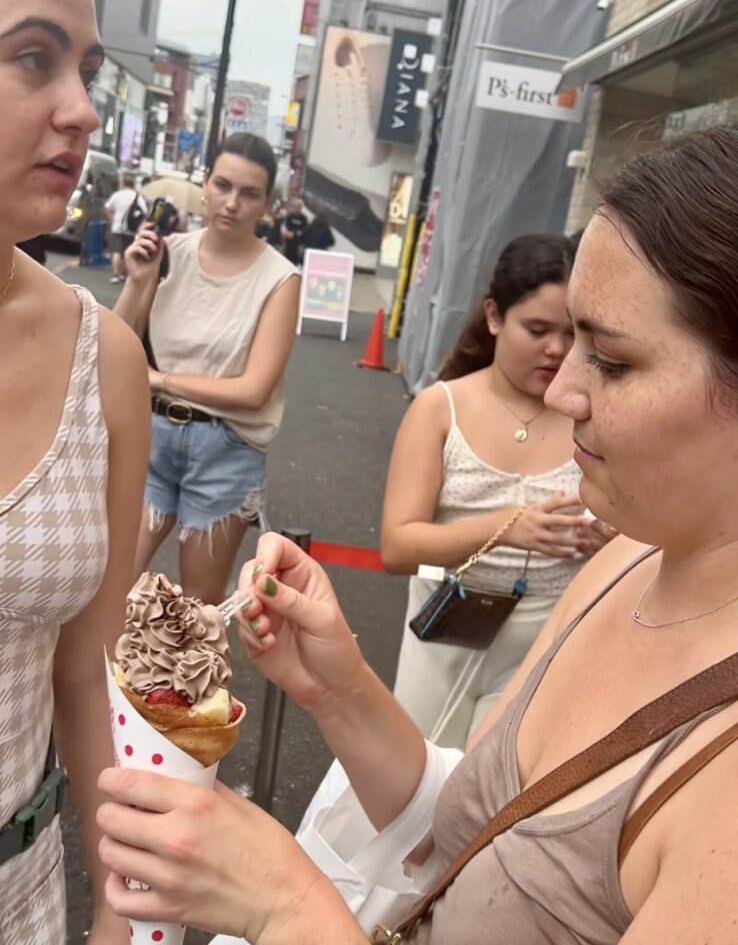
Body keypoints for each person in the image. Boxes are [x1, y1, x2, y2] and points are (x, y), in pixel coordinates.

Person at [99, 127, 738, 944]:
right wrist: (340, 689)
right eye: (564, 337)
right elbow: (484, 827)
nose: (566, 386)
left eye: (611, 361)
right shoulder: (627, 557)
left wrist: (287, 906)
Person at [0, 0, 149, 942]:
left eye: (89, 71)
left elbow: (85, 673)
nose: (84, 110)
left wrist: (123, 915)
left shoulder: (108, 362)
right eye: (31, 57)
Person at [382, 235, 610, 747]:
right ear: (494, 317)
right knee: (415, 783)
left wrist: (610, 538)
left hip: (552, 631)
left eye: (573, 334)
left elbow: (636, 532)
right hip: (446, 621)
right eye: (537, 329)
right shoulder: (440, 408)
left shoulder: (594, 416)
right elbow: (397, 548)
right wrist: (509, 527)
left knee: (495, 793)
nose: (557, 349)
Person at [115, 133, 300, 605]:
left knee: (198, 608)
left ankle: (183, 681)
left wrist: (158, 381)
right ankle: (102, 682)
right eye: (223, 185)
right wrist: (138, 280)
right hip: (149, 436)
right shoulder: (167, 251)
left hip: (226, 449)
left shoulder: (279, 279)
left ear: (267, 203)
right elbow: (116, 345)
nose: (232, 203)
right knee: (107, 583)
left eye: (249, 193)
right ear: (205, 184)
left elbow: (254, 391)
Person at [105, 172, 144, 283]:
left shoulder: (117, 195)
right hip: (131, 229)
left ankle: (116, 274)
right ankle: (123, 274)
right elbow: (144, 211)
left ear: (123, 182)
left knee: (117, 252)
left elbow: (108, 208)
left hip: (117, 227)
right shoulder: (137, 196)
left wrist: (112, 219)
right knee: (127, 252)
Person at [282, 196, 308, 265]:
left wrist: (301, 233)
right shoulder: (290, 216)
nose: (297, 210)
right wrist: (286, 233)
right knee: (287, 254)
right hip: (290, 238)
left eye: (299, 208)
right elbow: (286, 226)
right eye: (296, 208)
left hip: (298, 240)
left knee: (296, 256)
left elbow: (305, 229)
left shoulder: (303, 218)